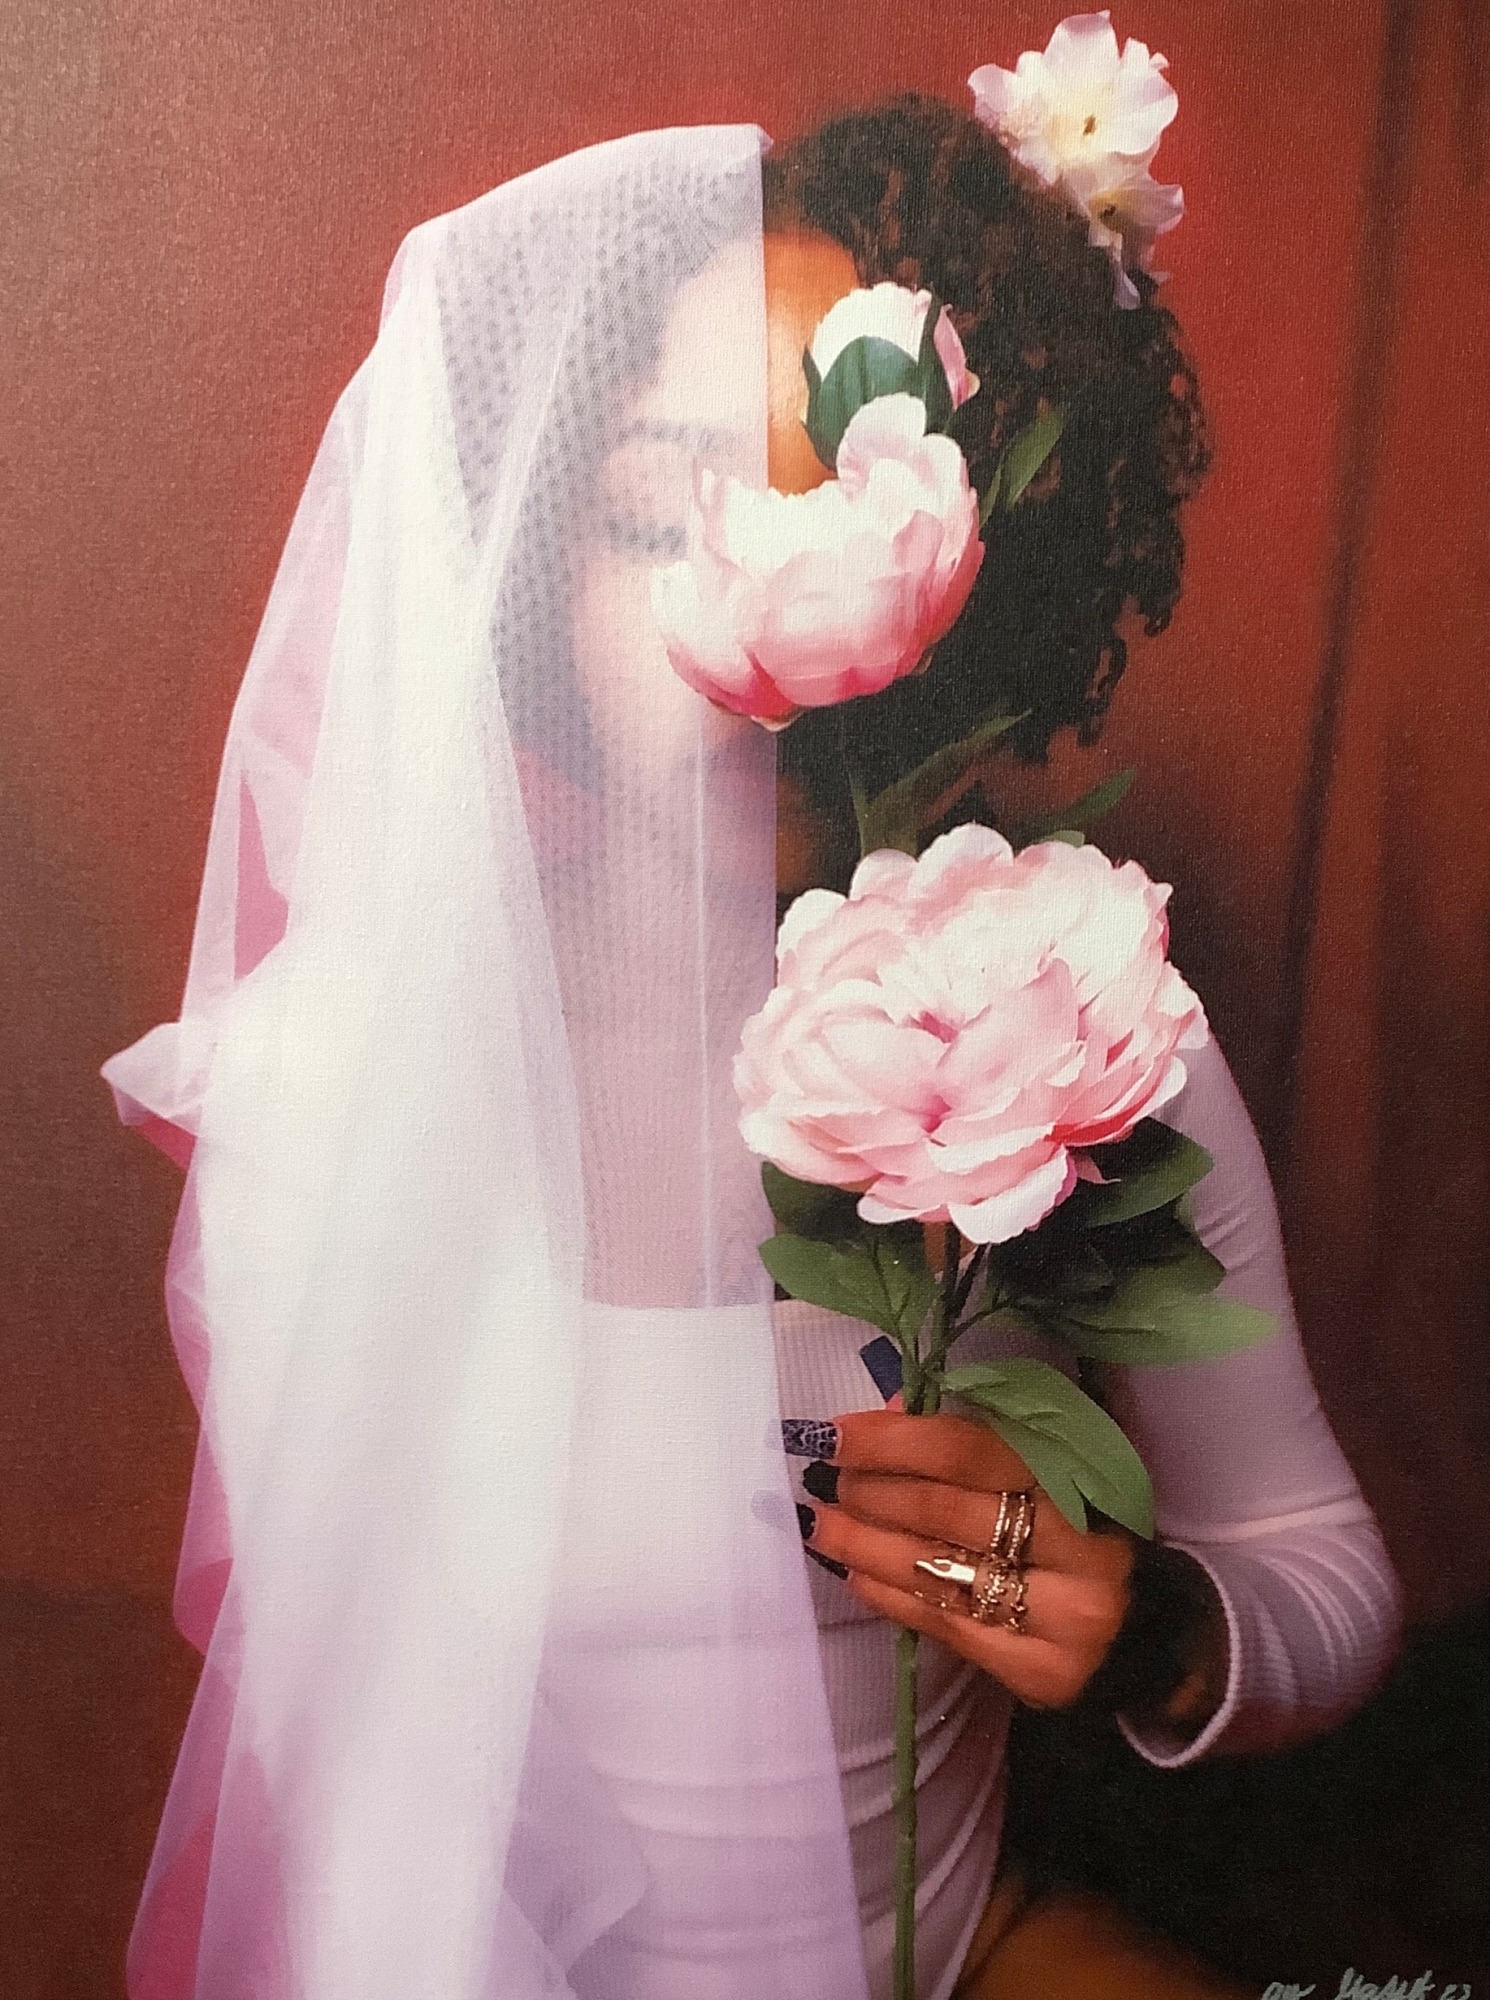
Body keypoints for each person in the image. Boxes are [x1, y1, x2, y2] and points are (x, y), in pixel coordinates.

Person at [103, 90, 1401, 2000]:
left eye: (846, 508)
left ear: (981, 562)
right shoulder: (357, 1084)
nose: (758, 608)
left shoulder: (1081, 1019)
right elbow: (346, 1778)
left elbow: (1319, 1571)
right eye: (659, 512)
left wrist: (1139, 1629)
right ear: (532, 565)